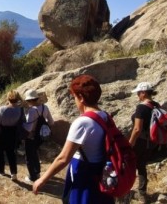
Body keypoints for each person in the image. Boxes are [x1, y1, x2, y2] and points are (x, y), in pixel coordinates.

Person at [32, 75, 114, 204]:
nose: (75, 101)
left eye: (75, 97)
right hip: (102, 173)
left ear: (81, 98)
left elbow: (63, 158)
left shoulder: (82, 122)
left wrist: (42, 179)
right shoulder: (105, 116)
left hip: (84, 175)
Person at [129, 82, 159, 203]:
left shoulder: (141, 107)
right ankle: (142, 193)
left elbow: (137, 129)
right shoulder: (156, 105)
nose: (137, 95)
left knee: (128, 163)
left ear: (143, 93)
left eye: (138, 93)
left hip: (140, 141)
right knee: (141, 165)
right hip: (152, 141)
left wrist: (130, 143)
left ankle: (124, 191)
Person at [23, 89, 54, 183]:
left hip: (31, 136)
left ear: (31, 100)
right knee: (35, 153)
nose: (28, 103)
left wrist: (21, 125)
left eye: (28, 101)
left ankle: (32, 177)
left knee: (29, 156)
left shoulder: (32, 110)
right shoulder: (45, 107)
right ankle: (37, 172)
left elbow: (29, 127)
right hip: (41, 136)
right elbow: (51, 122)